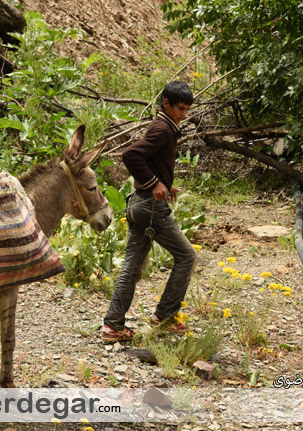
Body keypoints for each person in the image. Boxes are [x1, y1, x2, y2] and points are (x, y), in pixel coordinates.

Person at [102, 81, 196, 342]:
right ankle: (164, 318)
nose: (184, 114)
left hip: (138, 204)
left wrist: (164, 183)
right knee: (187, 256)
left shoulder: (164, 127)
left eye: (187, 109)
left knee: (131, 268)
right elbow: (131, 155)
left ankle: (113, 326)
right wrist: (155, 184)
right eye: (180, 108)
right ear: (166, 103)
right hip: (150, 208)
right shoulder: (163, 129)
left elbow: (150, 161)